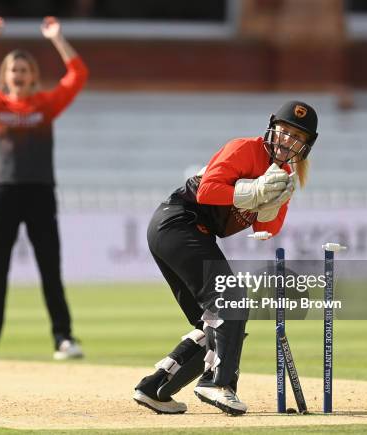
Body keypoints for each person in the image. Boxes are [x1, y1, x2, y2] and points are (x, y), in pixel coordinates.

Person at [132, 101, 319, 415]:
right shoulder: (244, 148)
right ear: (272, 128)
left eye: (296, 136)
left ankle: (155, 389)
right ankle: (217, 383)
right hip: (177, 221)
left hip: (191, 231)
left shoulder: (285, 176)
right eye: (284, 131)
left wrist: (271, 203)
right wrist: (254, 190)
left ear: (305, 146)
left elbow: (265, 229)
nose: (287, 140)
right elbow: (207, 191)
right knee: (231, 298)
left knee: (214, 322)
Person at [0, 16, 89, 361]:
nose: (19, 74)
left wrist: (57, 38)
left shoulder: (45, 106)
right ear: (5, 75)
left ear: (33, 76)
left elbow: (78, 75)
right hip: (4, 191)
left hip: (40, 192)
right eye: (14, 69)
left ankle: (64, 338)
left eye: (25, 69)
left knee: (49, 267)